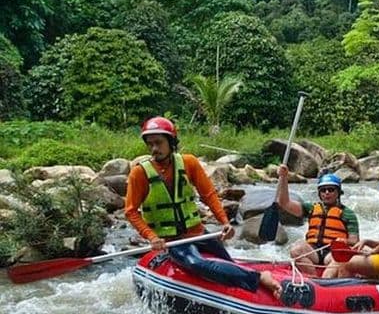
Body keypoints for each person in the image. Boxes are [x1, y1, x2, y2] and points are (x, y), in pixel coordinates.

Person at [125, 116, 281, 296]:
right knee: (196, 263)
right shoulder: (139, 173)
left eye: (159, 143)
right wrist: (151, 237)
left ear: (171, 142)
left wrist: (224, 222)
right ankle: (260, 277)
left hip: (198, 232)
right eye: (150, 144)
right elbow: (131, 211)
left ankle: (254, 285)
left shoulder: (189, 162)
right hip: (173, 241)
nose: (154, 149)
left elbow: (208, 195)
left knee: (226, 261)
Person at [275, 164, 359, 277]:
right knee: (296, 250)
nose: (327, 193)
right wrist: (284, 178)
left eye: (331, 189)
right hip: (313, 250)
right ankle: (314, 279)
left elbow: (355, 241)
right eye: (323, 190)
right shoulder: (311, 208)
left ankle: (326, 280)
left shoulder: (348, 213)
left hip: (332, 252)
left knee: (339, 257)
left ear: (338, 192)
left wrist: (345, 241)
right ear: (319, 193)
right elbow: (284, 203)